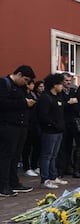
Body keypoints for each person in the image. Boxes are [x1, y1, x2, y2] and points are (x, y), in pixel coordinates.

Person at [0, 65, 36, 196]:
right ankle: (3, 186)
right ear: (19, 74)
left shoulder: (20, 88)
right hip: (8, 126)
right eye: (25, 80)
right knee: (6, 156)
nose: (26, 83)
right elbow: (2, 103)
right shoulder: (4, 84)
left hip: (21, 126)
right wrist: (23, 103)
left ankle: (13, 182)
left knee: (15, 156)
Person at [37, 73, 68, 189]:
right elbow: (43, 116)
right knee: (47, 155)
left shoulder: (58, 97)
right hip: (49, 131)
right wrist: (53, 125)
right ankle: (45, 179)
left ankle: (53, 176)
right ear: (54, 85)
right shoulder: (46, 98)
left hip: (59, 131)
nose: (62, 86)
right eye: (60, 84)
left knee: (54, 155)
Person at [56, 72, 77, 177]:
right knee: (61, 147)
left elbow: (77, 105)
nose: (68, 82)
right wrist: (69, 103)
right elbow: (59, 106)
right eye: (66, 81)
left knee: (70, 146)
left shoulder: (73, 91)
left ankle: (68, 166)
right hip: (62, 122)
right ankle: (60, 169)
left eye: (70, 81)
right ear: (62, 81)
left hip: (71, 122)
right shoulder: (59, 92)